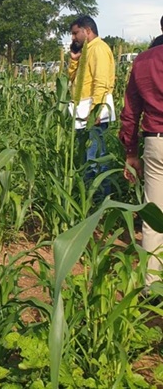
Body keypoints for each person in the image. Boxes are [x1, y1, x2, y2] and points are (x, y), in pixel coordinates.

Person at [119, 43, 163, 293]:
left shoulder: (144, 61)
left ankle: (152, 288)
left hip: (156, 141)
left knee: (154, 215)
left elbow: (131, 111)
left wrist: (131, 152)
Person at [68, 15, 115, 193]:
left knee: (95, 158)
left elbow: (101, 82)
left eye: (75, 33)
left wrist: (95, 111)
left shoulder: (99, 49)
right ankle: (89, 197)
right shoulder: (87, 51)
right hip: (83, 112)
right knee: (87, 158)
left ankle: (100, 198)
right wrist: (74, 60)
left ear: (87, 31)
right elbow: (72, 78)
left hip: (93, 113)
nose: (73, 38)